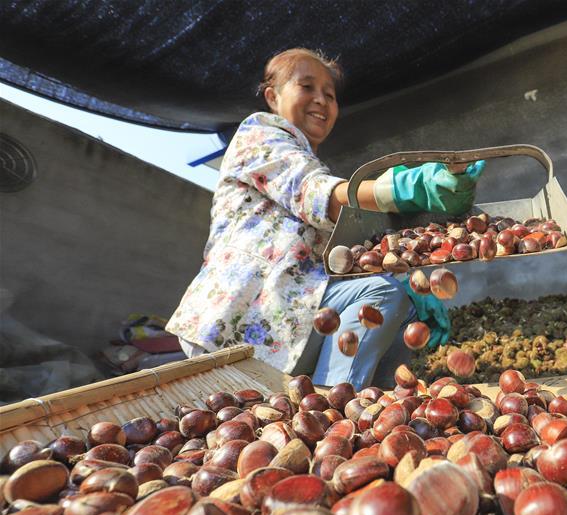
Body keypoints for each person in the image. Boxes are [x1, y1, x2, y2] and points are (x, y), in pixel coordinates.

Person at [166, 48, 485, 389]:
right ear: (273, 96)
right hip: (240, 323)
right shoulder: (259, 134)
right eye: (307, 87)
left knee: (398, 305)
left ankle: (377, 414)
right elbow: (314, 192)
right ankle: (333, 413)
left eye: (329, 95)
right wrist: (404, 188)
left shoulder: (309, 161)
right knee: (382, 293)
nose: (321, 100)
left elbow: (328, 260)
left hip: (289, 325)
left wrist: (407, 284)